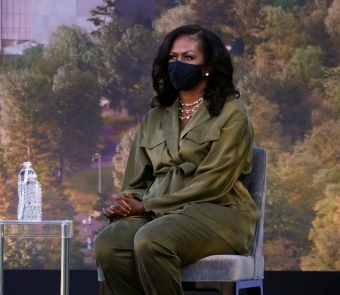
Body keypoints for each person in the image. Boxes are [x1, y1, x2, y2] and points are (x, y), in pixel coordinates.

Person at [94, 24, 258, 295]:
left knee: (152, 239)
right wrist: (126, 205)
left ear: (209, 66)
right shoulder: (154, 118)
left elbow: (213, 183)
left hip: (217, 212)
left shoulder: (232, 114)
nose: (178, 64)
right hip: (156, 213)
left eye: (188, 57)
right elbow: (136, 181)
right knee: (108, 244)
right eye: (172, 57)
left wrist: (146, 205)